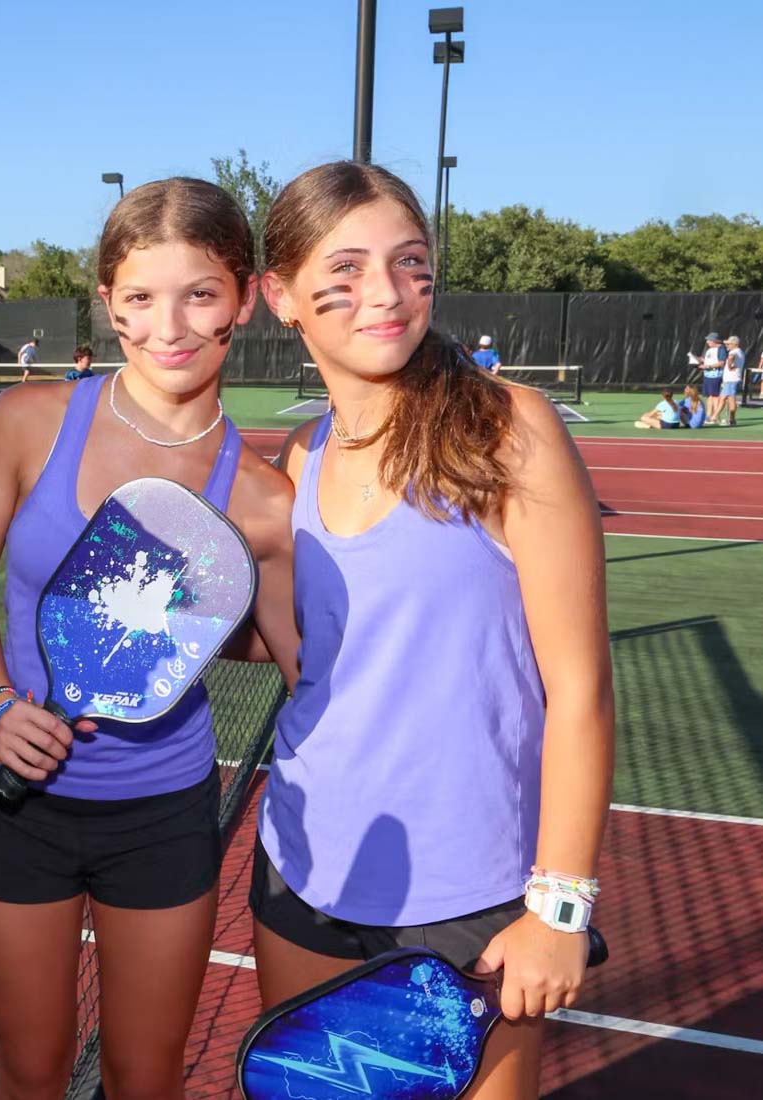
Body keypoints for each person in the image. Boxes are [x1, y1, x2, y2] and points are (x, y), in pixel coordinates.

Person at [257, 161, 613, 1100]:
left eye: (408, 262)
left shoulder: (511, 431)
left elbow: (581, 688)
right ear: (281, 296)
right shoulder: (295, 458)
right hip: (304, 869)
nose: (385, 293)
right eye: (346, 267)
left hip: (478, 896)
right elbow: (304, 651)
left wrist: (560, 907)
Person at [0, 177, 300, 1100]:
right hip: (15, 804)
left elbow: (279, 650)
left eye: (201, 293)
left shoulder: (265, 496)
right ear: (109, 302)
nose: (170, 325)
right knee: (31, 1070)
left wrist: (165, 629)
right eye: (140, 298)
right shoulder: (30, 421)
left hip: (163, 812)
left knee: (146, 1078)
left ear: (245, 299)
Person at [697, 331, 725, 423]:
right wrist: (702, 360)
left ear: (714, 341)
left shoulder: (721, 349)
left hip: (716, 376)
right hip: (707, 376)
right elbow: (709, 360)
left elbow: (722, 362)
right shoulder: (709, 350)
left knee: (715, 396)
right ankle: (709, 415)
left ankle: (716, 417)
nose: (707, 342)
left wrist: (708, 366)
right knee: (709, 396)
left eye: (709, 340)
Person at [717, 335, 745, 426]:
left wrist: (729, 365)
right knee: (726, 398)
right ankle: (728, 419)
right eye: (727, 343)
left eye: (729, 344)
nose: (727, 345)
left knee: (728, 398)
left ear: (735, 344)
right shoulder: (738, 351)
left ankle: (716, 417)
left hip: (731, 380)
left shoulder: (734, 352)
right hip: (731, 380)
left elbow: (731, 357)